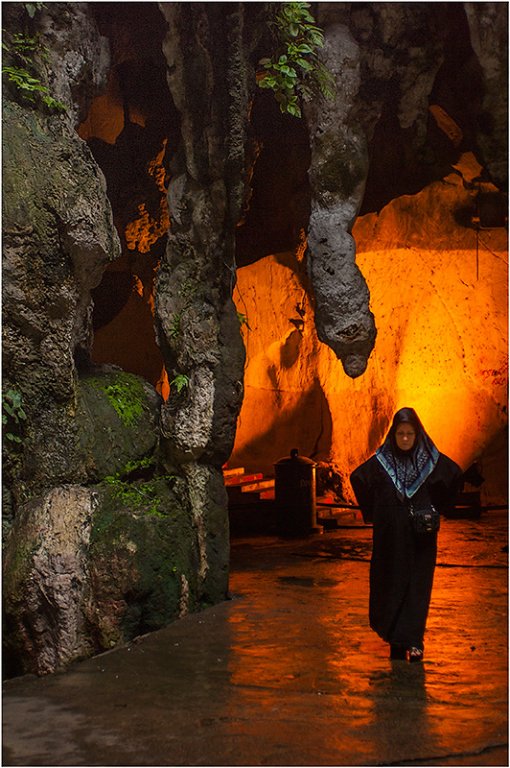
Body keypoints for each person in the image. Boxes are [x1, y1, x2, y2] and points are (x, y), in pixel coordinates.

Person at [350, 407, 463, 662]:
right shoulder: (383, 462)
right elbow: (358, 478)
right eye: (400, 434)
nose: (404, 439)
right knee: (390, 584)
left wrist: (438, 507)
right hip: (390, 539)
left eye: (409, 434)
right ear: (393, 435)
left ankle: (413, 640)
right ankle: (396, 639)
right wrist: (375, 513)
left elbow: (454, 476)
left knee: (417, 587)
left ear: (417, 434)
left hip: (420, 539)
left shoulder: (430, 461)